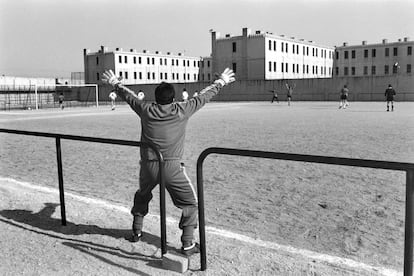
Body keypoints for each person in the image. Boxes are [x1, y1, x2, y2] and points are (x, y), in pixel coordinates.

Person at [102, 68, 235, 256]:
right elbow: (203, 97)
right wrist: (221, 81)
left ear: (155, 98)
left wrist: (116, 82)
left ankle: (136, 230)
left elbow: (129, 97)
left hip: (148, 165)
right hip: (171, 166)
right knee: (190, 203)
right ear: (173, 99)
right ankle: (188, 243)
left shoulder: (146, 110)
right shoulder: (182, 109)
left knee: (142, 195)